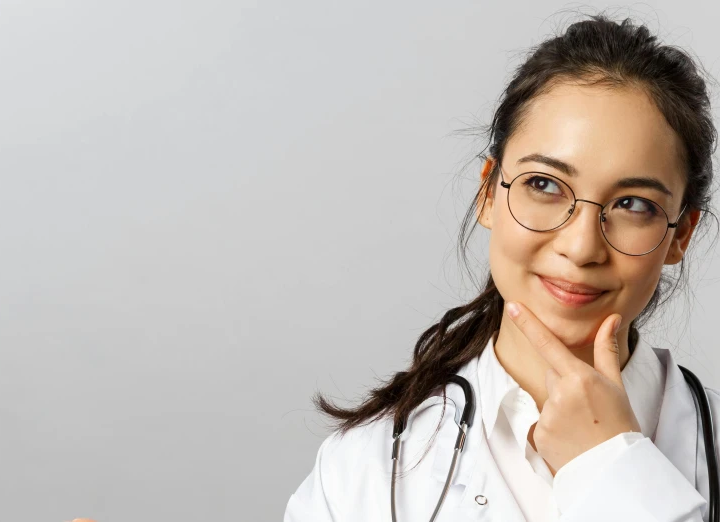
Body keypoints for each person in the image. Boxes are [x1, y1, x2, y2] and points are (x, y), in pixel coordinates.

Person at [284, 13, 720, 522]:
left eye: (633, 204)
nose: (581, 248)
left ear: (680, 234)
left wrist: (610, 469)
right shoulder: (364, 471)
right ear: (489, 192)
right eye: (545, 185)